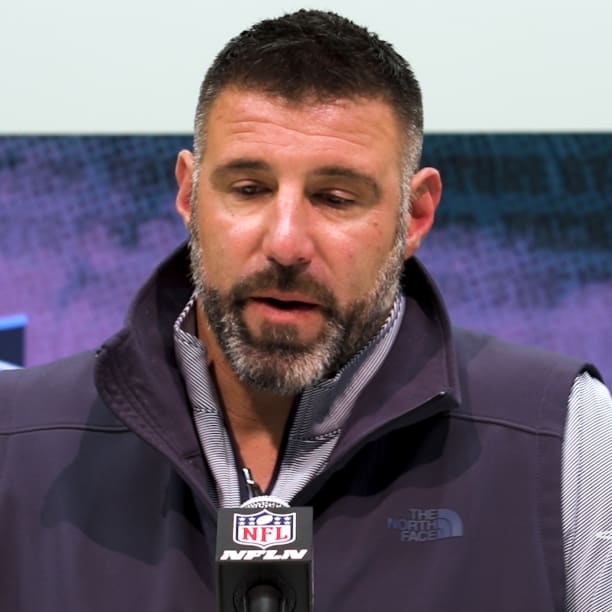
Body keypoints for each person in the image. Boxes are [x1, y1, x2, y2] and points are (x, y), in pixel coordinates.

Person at [1, 9, 610, 612]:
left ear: (415, 215)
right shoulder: (15, 437)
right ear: (189, 194)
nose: (286, 243)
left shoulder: (565, 436)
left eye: (335, 198)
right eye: (249, 190)